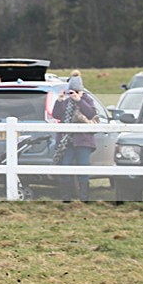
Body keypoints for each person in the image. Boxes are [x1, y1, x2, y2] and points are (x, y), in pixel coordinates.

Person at [52, 71, 98, 201]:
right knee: (65, 167)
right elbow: (56, 115)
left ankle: (84, 198)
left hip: (83, 141)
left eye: (76, 91)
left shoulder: (87, 100)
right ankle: (66, 198)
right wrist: (59, 100)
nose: (73, 93)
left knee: (83, 169)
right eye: (71, 91)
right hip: (66, 141)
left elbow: (91, 114)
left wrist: (80, 101)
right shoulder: (66, 102)